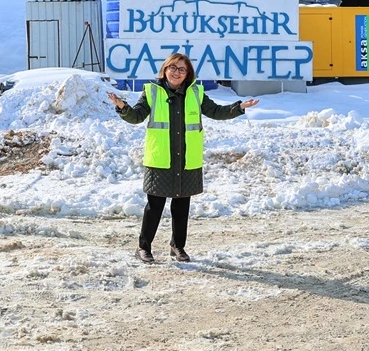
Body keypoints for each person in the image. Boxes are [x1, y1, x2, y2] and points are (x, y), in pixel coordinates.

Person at [108, 52, 258, 263]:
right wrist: (123, 107)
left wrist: (239, 107)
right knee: (154, 206)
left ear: (188, 74)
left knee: (181, 206)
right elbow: (137, 116)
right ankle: (143, 247)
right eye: (173, 67)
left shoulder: (196, 92)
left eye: (182, 69)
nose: (176, 72)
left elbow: (216, 111)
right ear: (165, 69)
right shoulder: (152, 91)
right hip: (160, 158)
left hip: (187, 159)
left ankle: (177, 246)